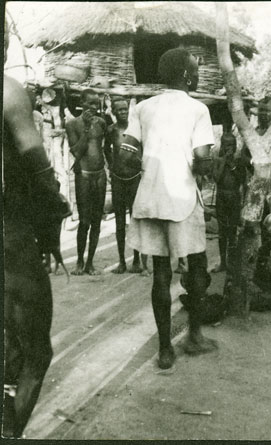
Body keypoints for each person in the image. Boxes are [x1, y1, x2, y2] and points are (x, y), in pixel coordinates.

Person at [122, 48, 217, 369]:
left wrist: (148, 165)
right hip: (183, 198)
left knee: (160, 275)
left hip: (149, 199)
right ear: (188, 76)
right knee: (198, 265)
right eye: (196, 71)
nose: (199, 75)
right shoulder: (198, 109)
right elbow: (203, 160)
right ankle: (194, 336)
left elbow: (126, 154)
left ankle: (165, 350)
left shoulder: (143, 107)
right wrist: (210, 167)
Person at [3, 26, 70, 438]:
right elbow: (39, 170)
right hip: (8, 233)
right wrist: (54, 210)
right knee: (34, 352)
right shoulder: (9, 91)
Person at [104, 98, 149, 275]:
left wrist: (140, 164)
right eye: (119, 110)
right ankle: (122, 262)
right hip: (117, 180)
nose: (123, 112)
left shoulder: (136, 128)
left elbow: (145, 149)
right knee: (120, 222)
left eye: (125, 109)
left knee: (135, 220)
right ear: (114, 112)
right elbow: (106, 149)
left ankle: (137, 260)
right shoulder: (111, 130)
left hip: (134, 179)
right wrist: (111, 164)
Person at [66, 89, 107, 275]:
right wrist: (87, 129)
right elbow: (77, 152)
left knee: (97, 220)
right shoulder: (72, 124)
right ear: (82, 103)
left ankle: (90, 262)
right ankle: (79, 262)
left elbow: (101, 148)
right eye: (91, 103)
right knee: (84, 221)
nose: (94, 107)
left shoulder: (102, 123)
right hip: (83, 174)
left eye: (96, 104)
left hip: (100, 175)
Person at [211, 132, 246, 273]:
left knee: (232, 231)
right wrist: (225, 161)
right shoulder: (218, 159)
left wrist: (232, 166)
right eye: (225, 145)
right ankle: (223, 262)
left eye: (231, 144)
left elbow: (242, 180)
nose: (228, 148)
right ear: (222, 145)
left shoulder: (238, 161)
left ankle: (232, 263)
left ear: (235, 145)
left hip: (234, 198)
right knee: (222, 232)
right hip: (221, 198)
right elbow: (217, 178)